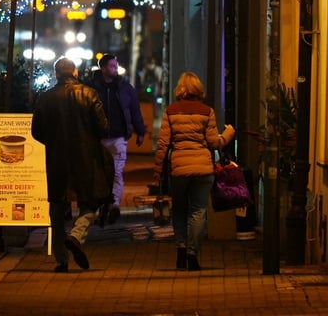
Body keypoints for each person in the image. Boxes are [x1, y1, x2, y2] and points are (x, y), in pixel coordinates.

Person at [31, 57, 112, 273]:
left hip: (57, 160)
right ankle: (76, 235)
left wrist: (55, 143)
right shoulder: (89, 94)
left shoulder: (45, 98)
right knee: (91, 203)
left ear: (56, 74)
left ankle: (61, 260)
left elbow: (36, 132)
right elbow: (103, 127)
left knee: (57, 208)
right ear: (75, 73)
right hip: (87, 159)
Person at [152, 71, 235, 271]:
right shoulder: (206, 111)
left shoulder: (171, 111)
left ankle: (180, 249)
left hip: (179, 168)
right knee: (198, 211)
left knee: (179, 209)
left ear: (180, 89)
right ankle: (192, 254)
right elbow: (214, 143)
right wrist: (229, 134)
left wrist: (157, 172)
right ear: (198, 89)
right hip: (202, 168)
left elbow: (163, 143)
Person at [86, 54, 147, 225]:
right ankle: (102, 205)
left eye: (116, 65)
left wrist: (140, 131)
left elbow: (135, 110)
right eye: (112, 66)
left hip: (118, 137)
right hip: (98, 138)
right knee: (99, 174)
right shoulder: (91, 88)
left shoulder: (125, 88)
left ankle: (114, 205)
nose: (115, 68)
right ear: (103, 68)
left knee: (117, 172)